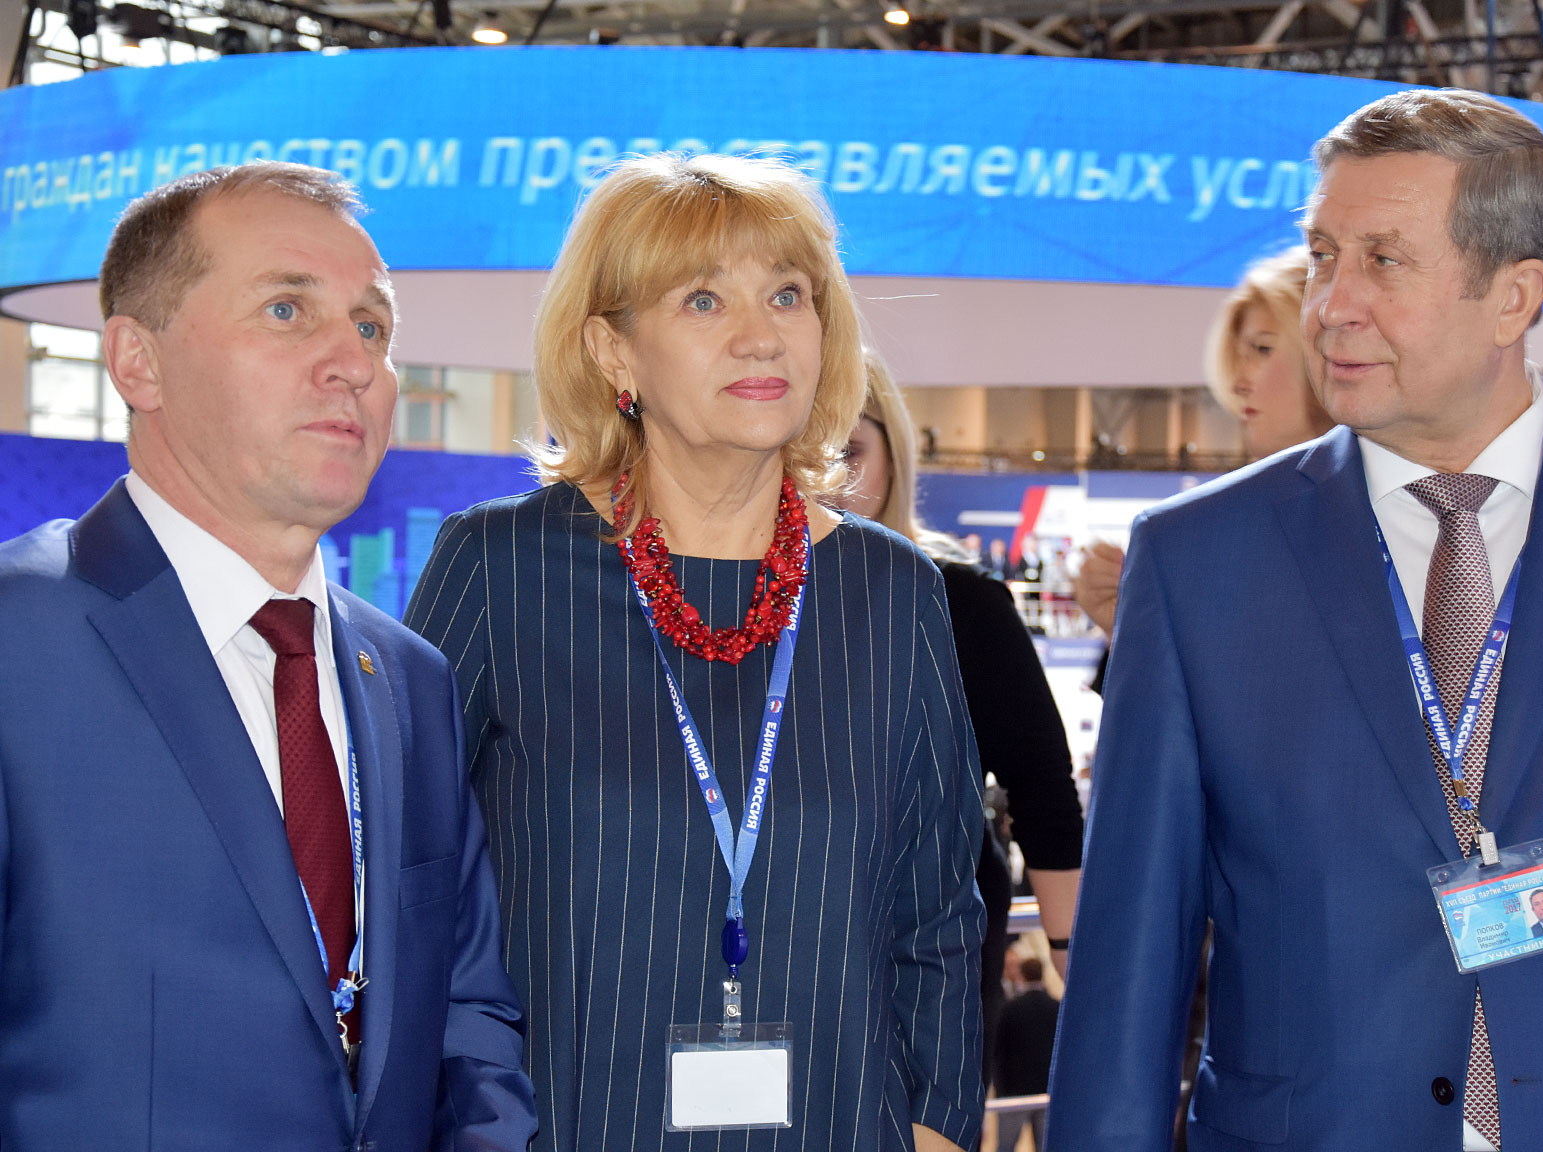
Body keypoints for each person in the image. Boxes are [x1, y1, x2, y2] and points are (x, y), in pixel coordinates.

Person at [1046, 89, 1543, 1152]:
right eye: (1323, 254)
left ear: (1514, 295)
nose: (1331, 303)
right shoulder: (1201, 557)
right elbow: (1131, 958)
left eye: (1384, 261)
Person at [403, 154, 984, 1152]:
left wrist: (935, 1130)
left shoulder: (891, 590)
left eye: (788, 295)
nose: (761, 334)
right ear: (612, 351)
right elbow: (412, 894)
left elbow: (937, 913)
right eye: (704, 300)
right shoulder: (500, 568)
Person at [0, 163, 536, 1148]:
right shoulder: (20, 641)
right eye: (287, 310)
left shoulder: (411, 681)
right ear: (138, 363)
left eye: (371, 326)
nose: (354, 363)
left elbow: (467, 1019)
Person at [840, 349, 1084, 1078]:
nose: (824, 480)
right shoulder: (728, 606)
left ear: (894, 454)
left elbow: (1042, 787)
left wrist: (1074, 960)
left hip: (930, 963)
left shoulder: (960, 604)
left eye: (848, 452)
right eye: (800, 453)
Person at [1073, 246, 1331, 637]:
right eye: (1241, 354)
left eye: (1263, 349)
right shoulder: (1223, 534)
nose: (1239, 381)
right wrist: (1127, 630)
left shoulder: (1392, 518)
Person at [991, 956, 1060, 1152]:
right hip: (1046, 1089)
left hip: (1014, 1092)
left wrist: (1000, 1087)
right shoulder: (1056, 1008)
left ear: (1022, 975)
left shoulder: (1010, 1008)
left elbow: (998, 1050)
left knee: (1005, 1147)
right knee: (1045, 1146)